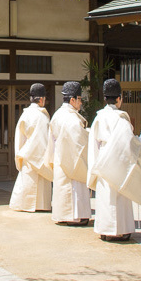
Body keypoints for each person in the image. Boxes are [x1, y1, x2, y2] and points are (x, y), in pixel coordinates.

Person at [87, 78, 141, 241]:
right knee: (121, 194)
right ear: (119, 98)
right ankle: (122, 230)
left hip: (103, 159)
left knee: (105, 197)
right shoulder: (121, 119)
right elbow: (129, 142)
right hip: (120, 159)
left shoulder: (99, 117)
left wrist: (95, 165)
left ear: (105, 98)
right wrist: (138, 143)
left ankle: (105, 230)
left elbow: (93, 143)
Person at [50, 81, 91, 225]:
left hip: (60, 157)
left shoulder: (57, 115)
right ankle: (76, 217)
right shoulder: (72, 118)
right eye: (79, 99)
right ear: (72, 100)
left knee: (63, 187)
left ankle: (62, 215)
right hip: (72, 159)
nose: (81, 103)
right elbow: (79, 142)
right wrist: (89, 135)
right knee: (74, 188)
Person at [9, 83, 53, 212]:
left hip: (27, 154)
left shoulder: (25, 114)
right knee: (39, 185)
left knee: (26, 183)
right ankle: (40, 205)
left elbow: (20, 138)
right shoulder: (41, 116)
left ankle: (23, 205)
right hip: (38, 155)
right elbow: (43, 139)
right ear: (41, 99)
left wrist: (20, 153)